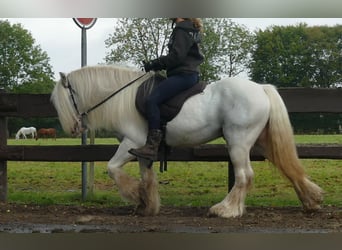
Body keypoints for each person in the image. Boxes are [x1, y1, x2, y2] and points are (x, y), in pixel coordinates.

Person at [129, 18, 204, 161]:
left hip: (184, 75)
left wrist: (154, 64)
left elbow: (176, 56)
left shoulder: (182, 29)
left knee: (152, 100)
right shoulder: (189, 28)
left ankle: (151, 147)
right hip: (187, 74)